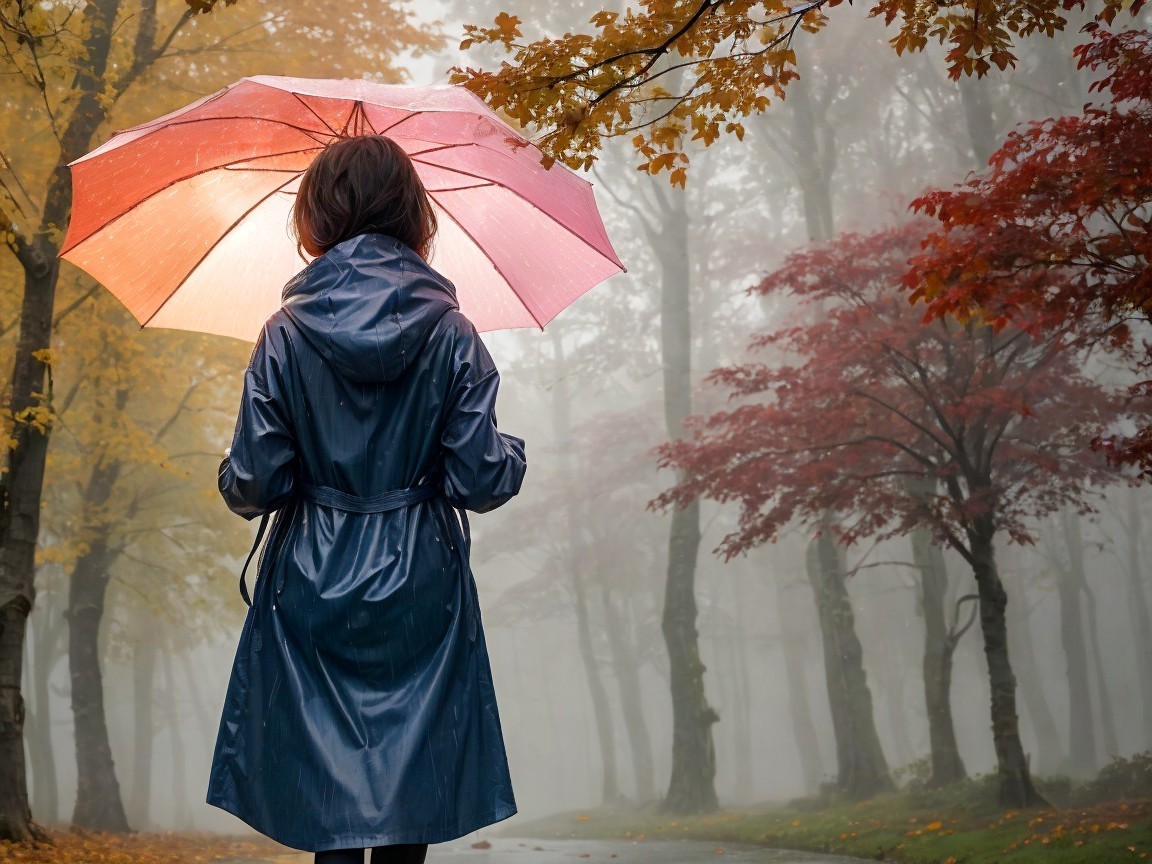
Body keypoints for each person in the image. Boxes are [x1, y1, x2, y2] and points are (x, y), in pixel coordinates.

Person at [206, 135, 526, 864]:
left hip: (313, 577)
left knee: (329, 795)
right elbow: (481, 479)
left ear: (314, 217)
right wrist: (515, 456)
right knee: (410, 778)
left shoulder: (284, 336)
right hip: (422, 578)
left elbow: (253, 485)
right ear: (414, 216)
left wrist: (237, 466)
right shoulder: (454, 334)